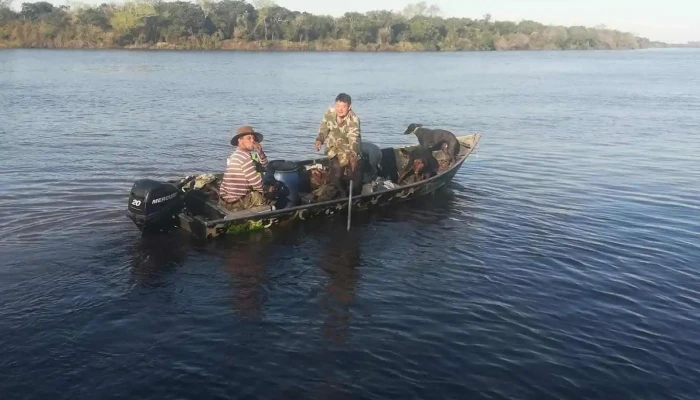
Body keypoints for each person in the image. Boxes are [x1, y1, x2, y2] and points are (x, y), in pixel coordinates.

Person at [314, 93, 363, 196]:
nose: (340, 109)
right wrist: (319, 140)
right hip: (334, 149)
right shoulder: (330, 113)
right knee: (335, 176)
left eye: (343, 107)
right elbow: (324, 128)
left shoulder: (353, 120)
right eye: (338, 106)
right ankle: (339, 197)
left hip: (349, 150)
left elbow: (354, 139)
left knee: (354, 180)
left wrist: (353, 156)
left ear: (349, 107)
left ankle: (355, 198)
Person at [219, 125, 275, 211]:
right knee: (270, 195)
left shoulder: (238, 154)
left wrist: (260, 152)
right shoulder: (245, 158)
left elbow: (264, 166)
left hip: (225, 199)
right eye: (249, 138)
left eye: (253, 138)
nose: (253, 141)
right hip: (236, 202)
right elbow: (257, 184)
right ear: (240, 140)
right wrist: (269, 189)